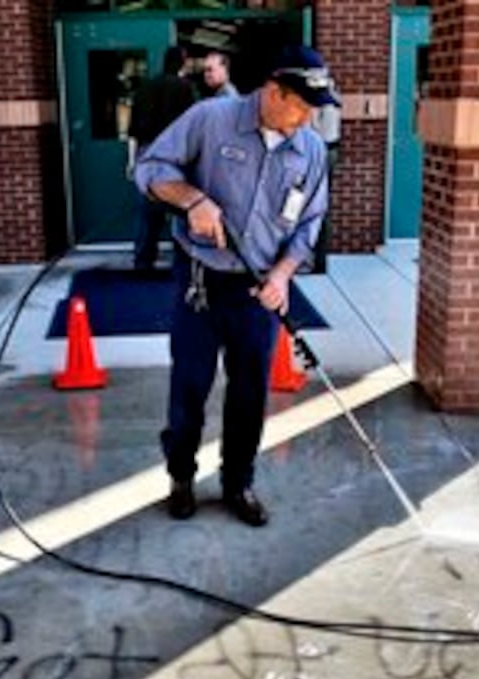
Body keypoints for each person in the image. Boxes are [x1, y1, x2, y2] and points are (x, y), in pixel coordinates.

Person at [134, 46, 335, 528]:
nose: (308, 119)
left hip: (258, 291)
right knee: (190, 389)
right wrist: (193, 199)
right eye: (301, 105)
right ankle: (181, 476)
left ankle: (237, 483)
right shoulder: (211, 118)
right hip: (200, 283)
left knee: (249, 396)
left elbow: (309, 223)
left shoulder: (309, 149)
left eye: (315, 109)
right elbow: (150, 169)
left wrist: (284, 276)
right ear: (272, 91)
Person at [126, 47, 196, 273]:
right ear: (182, 63)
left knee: (146, 213)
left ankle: (143, 261)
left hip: (147, 154)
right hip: (176, 155)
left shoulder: (145, 87)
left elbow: (133, 130)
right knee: (179, 211)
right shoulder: (185, 89)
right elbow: (193, 128)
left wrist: (131, 162)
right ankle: (181, 260)